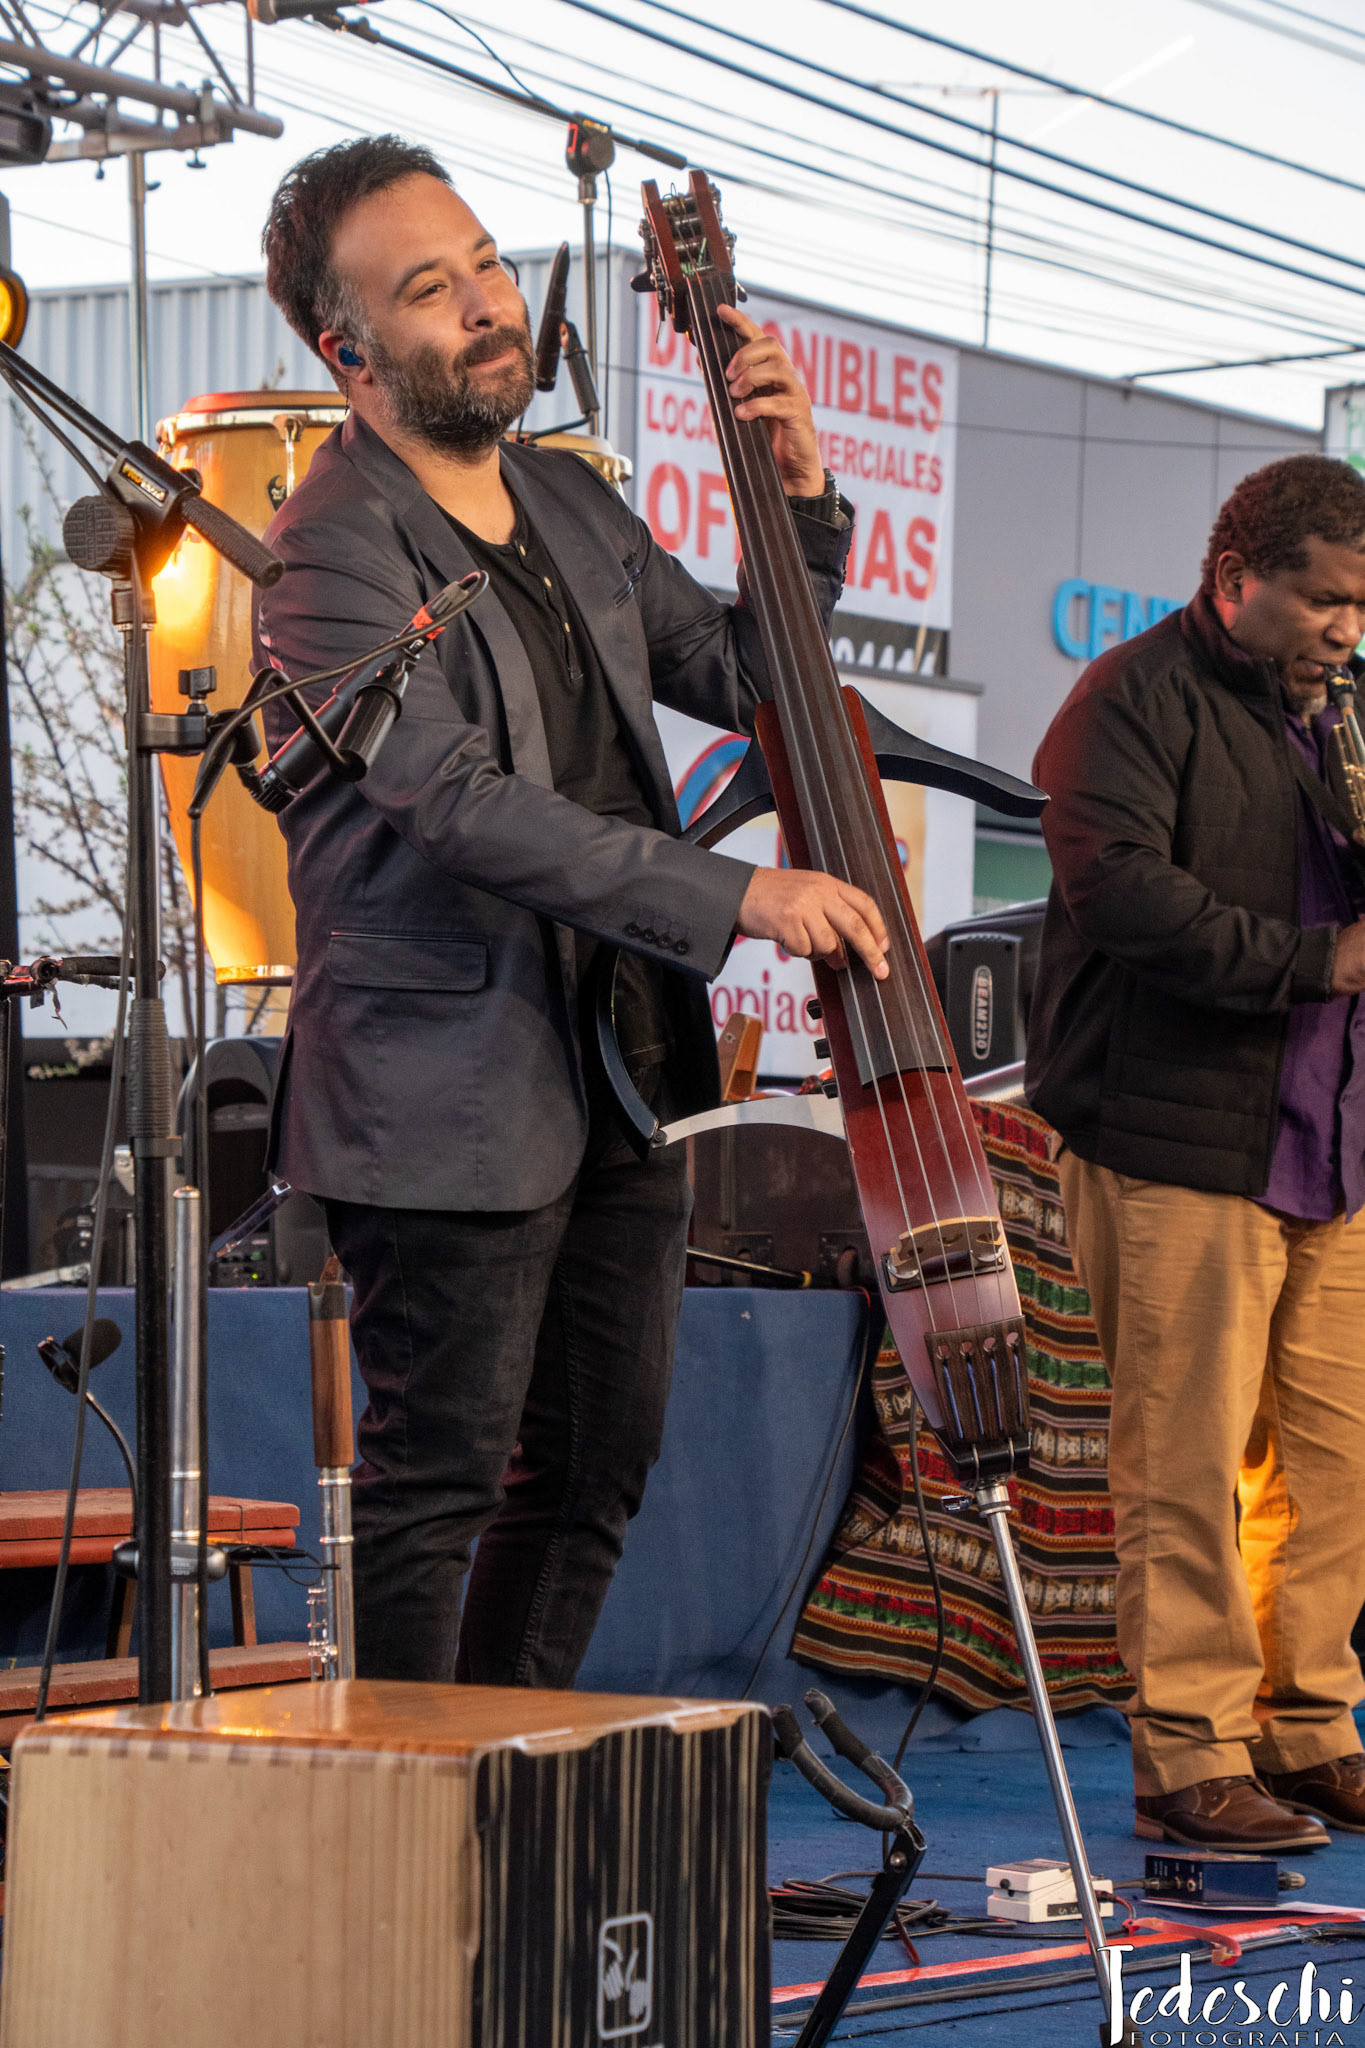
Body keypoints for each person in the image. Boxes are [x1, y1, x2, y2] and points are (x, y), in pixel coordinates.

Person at [252, 135, 884, 1687]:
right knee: (436, 1488)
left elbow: (750, 675)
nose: (486, 302)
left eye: (482, 263)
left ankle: (500, 1777)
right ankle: (402, 1810)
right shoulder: (326, 552)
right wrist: (740, 894)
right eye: (429, 288)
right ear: (346, 351)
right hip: (442, 1086)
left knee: (597, 1467)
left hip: (619, 1066)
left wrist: (799, 502)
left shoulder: (567, 500)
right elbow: (457, 803)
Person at [1028, 453, 1365, 1850]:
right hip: (1176, 1142)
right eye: (1325, 600)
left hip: (1335, 1146)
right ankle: (1187, 1755)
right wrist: (1317, 960)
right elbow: (1118, 894)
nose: (1347, 628)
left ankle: (1308, 1728)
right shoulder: (1127, 697)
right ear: (1236, 580)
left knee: (1332, 1474)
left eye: (1362, 606)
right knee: (1183, 1468)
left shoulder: (1343, 714)